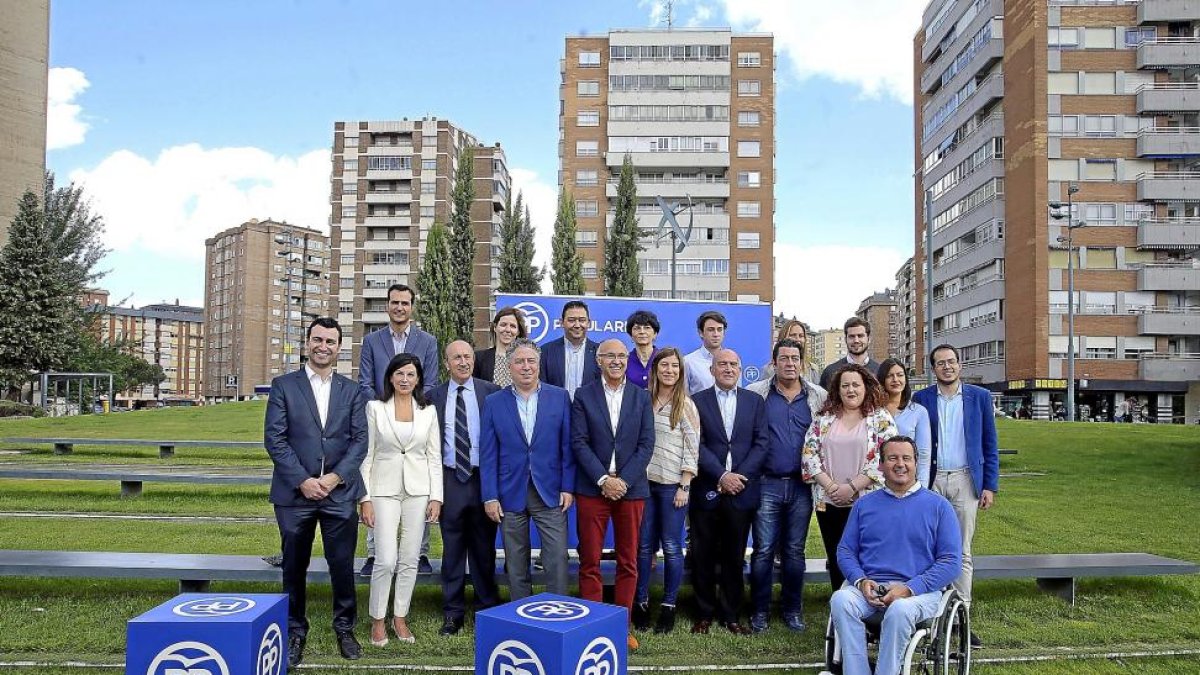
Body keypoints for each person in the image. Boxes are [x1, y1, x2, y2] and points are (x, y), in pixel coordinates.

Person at [264, 317, 367, 668]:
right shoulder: (284, 385)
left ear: (339, 347)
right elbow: (274, 439)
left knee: (342, 565)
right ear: (308, 342)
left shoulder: (352, 391)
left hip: (339, 494)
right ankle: (294, 630)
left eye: (331, 341)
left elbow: (359, 441)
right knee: (294, 566)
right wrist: (304, 480)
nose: (324, 346)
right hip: (295, 496)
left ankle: (344, 627)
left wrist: (335, 478)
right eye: (318, 340)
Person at [825, 436, 962, 675]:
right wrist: (861, 581)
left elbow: (951, 562)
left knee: (900, 610)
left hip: (918, 592)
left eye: (906, 458)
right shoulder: (864, 505)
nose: (900, 464)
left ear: (916, 462)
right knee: (841, 599)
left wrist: (908, 588)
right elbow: (846, 550)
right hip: (869, 587)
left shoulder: (939, 507)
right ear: (881, 465)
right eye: (893, 458)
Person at [571, 338, 655, 651]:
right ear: (599, 360)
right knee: (589, 560)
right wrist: (604, 479)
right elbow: (579, 442)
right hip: (593, 489)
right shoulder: (583, 395)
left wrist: (624, 481)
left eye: (622, 356)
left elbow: (647, 444)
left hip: (631, 491)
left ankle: (622, 628)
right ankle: (592, 627)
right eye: (610, 356)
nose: (617, 361)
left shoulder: (641, 397)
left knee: (628, 561)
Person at [912, 343, 999, 648]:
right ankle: (928, 618)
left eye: (951, 362)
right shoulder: (921, 399)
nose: (946, 367)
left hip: (965, 479)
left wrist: (989, 485)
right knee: (926, 550)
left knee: (961, 551)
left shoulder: (980, 398)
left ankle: (961, 619)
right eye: (940, 363)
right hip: (930, 481)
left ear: (959, 365)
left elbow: (990, 444)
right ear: (932, 369)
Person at [480, 338, 576, 599]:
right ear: (509, 366)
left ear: (539, 364)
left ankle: (558, 611)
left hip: (551, 490)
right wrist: (490, 495)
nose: (526, 367)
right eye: (519, 361)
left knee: (556, 558)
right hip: (510, 491)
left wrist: (568, 486)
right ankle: (520, 615)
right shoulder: (494, 402)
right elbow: (488, 454)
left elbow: (567, 446)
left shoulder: (559, 397)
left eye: (531, 361)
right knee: (515, 561)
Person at [359, 353, 442, 646]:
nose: (405, 380)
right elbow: (366, 456)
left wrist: (437, 497)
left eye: (411, 374)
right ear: (390, 377)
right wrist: (365, 498)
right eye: (400, 374)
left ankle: (400, 617)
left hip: (419, 491)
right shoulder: (375, 408)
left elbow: (434, 457)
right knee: (385, 558)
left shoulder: (428, 411)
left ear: (418, 378)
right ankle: (378, 620)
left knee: (409, 558)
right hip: (383, 490)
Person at [745, 338, 827, 634]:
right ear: (774, 362)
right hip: (766, 484)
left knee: (794, 551)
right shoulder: (757, 394)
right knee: (764, 550)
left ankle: (792, 610)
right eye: (784, 358)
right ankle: (760, 611)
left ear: (802, 362)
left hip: (802, 486)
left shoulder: (818, 396)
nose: (789, 363)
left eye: (795, 358)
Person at [359, 283, 440, 578]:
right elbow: (365, 380)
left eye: (405, 303)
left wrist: (415, 405)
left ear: (412, 307)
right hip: (382, 417)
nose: (399, 308)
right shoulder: (372, 341)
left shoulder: (428, 341)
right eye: (394, 303)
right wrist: (382, 408)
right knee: (380, 480)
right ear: (387, 306)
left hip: (415, 415)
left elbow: (430, 381)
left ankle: (419, 553)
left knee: (418, 481)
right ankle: (374, 553)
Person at [689, 349, 768, 636]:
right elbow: (695, 444)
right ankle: (704, 613)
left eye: (734, 364)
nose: (728, 368)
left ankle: (731, 614)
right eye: (722, 364)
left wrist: (739, 477)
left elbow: (762, 443)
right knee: (703, 555)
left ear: (741, 369)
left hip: (742, 492)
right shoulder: (696, 402)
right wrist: (721, 475)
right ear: (711, 369)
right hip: (707, 490)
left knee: (735, 556)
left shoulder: (755, 402)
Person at [801, 363, 897, 592]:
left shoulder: (880, 418)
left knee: (868, 559)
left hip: (868, 502)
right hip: (829, 502)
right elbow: (809, 454)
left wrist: (852, 487)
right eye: (845, 385)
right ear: (837, 389)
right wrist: (833, 487)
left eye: (856, 384)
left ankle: (871, 609)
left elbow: (887, 457)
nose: (851, 390)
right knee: (837, 558)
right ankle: (841, 610)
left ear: (866, 387)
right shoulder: (824, 418)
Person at [430, 341, 502, 636]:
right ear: (447, 363)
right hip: (450, 478)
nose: (463, 362)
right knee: (453, 550)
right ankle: (453, 612)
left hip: (483, 478)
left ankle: (486, 608)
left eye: (468, 357)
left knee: (484, 549)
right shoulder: (432, 397)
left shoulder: (492, 393)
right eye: (456, 358)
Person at [632, 347, 698, 635]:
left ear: (680, 371)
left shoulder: (686, 405)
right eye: (664, 365)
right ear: (655, 369)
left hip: (674, 486)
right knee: (644, 547)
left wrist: (685, 484)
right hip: (644, 485)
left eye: (675, 366)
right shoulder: (642, 400)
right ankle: (641, 602)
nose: (669, 370)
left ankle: (669, 606)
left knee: (672, 547)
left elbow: (692, 448)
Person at [877, 359, 932, 487]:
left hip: (906, 481)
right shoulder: (873, 411)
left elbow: (923, 454)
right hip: (875, 482)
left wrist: (922, 487)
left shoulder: (918, 412)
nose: (895, 379)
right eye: (890, 376)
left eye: (900, 375)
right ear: (882, 380)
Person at [540, 300, 600, 399]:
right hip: (556, 412)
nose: (577, 325)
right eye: (571, 320)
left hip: (588, 413)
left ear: (589, 323)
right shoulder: (546, 351)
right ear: (561, 322)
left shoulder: (600, 352)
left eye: (582, 320)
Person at [819, 318, 882, 391]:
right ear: (845, 339)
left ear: (869, 339)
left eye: (860, 336)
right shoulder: (830, 372)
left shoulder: (880, 371)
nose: (856, 340)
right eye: (852, 336)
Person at [473, 306, 527, 387]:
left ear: (518, 331)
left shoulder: (526, 360)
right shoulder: (479, 358)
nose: (508, 330)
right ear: (495, 327)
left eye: (512, 326)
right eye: (503, 325)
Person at [684, 310, 732, 395]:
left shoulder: (733, 360)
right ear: (701, 333)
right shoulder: (688, 362)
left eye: (719, 329)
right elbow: (684, 397)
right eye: (711, 330)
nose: (716, 334)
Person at [765, 319, 820, 383]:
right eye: (793, 335)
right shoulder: (769, 369)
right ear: (783, 337)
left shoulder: (813, 369)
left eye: (801, 336)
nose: (797, 339)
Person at [624, 309, 660, 389]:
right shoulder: (624, 360)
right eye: (637, 328)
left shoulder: (663, 359)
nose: (642, 332)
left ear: (655, 334)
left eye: (647, 328)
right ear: (631, 335)